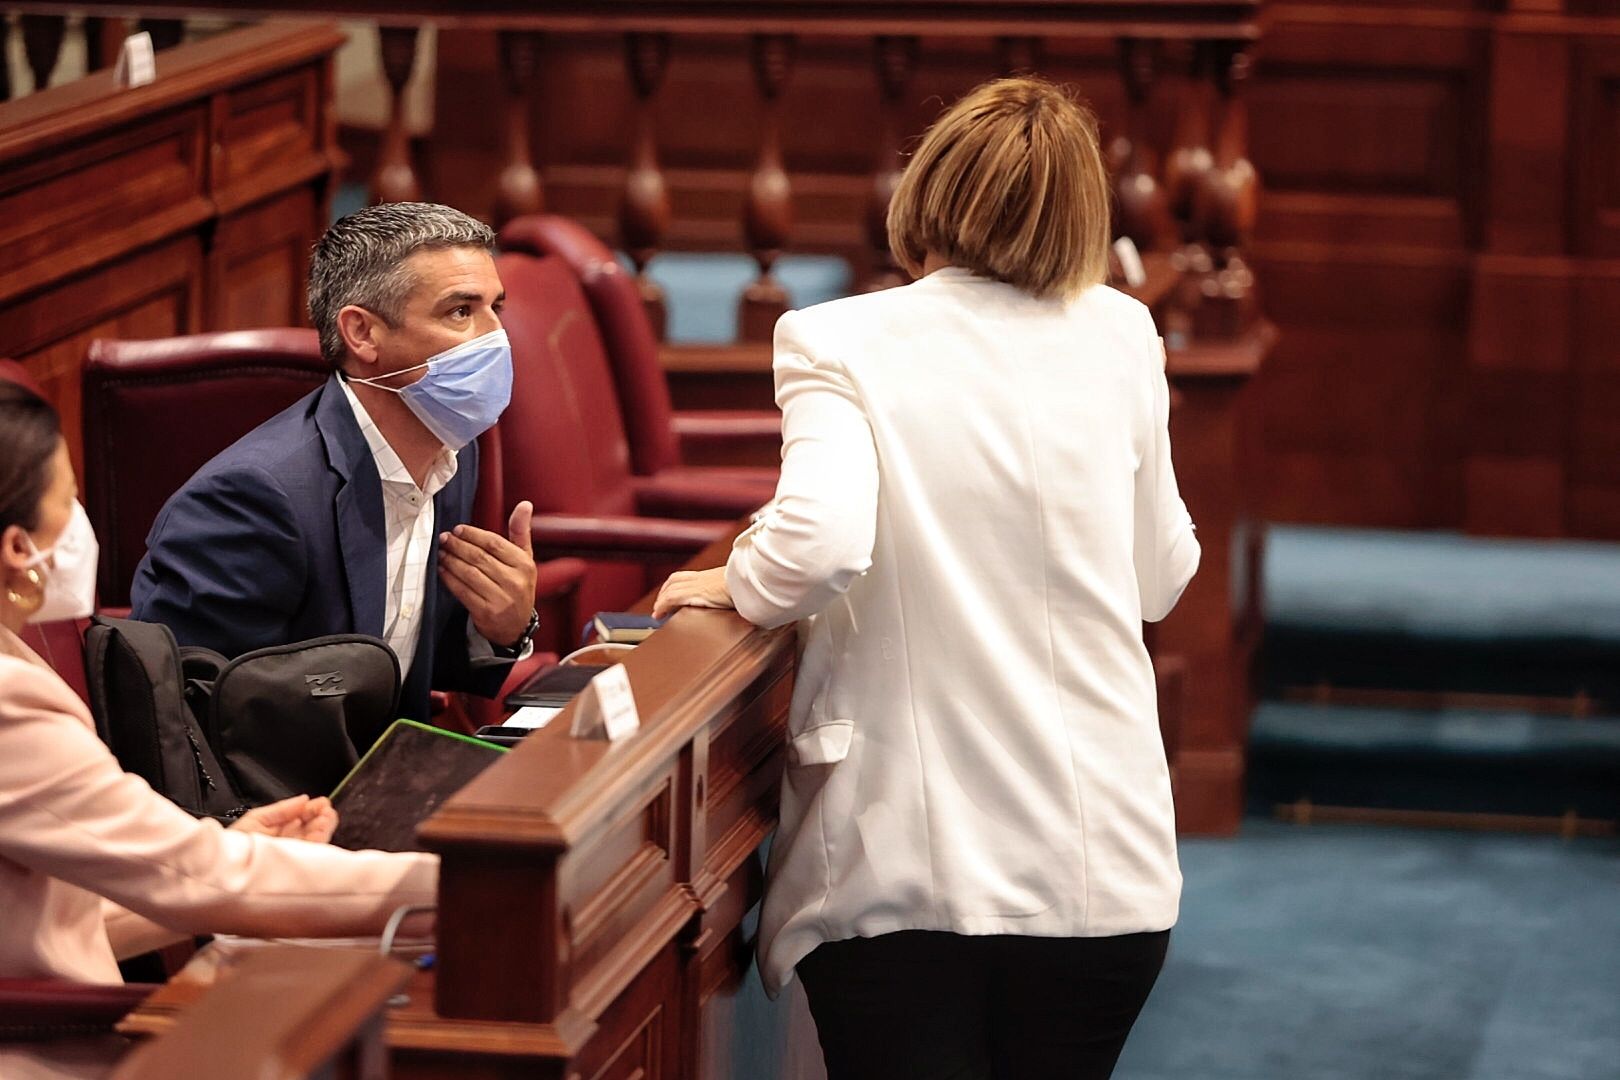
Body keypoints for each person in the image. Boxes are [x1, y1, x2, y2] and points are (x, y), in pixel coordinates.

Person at [654, 76, 1198, 1080]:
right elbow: (1159, 578)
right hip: (1100, 867)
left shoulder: (842, 338)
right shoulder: (1122, 334)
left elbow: (815, 549)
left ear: (928, 192)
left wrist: (731, 580)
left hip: (909, 866)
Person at [0, 381, 437, 1077]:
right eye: (69, 502)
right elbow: (201, 879)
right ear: (19, 547)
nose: (82, 523)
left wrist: (221, 847)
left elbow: (61, 917)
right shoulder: (8, 705)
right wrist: (460, 883)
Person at [131, 202, 539, 726]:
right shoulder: (252, 500)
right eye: (460, 311)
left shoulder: (451, 450)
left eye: (495, 309)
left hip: (388, 775)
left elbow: (412, 653)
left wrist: (505, 626)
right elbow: (191, 720)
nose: (495, 337)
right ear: (363, 334)